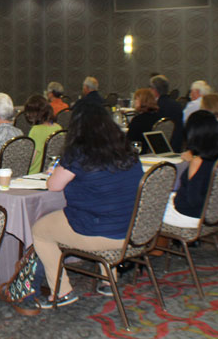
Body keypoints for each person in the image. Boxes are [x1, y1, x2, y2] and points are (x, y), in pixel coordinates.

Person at [31, 103, 143, 308]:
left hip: (100, 233)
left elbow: (53, 186)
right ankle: (109, 280)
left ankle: (61, 291)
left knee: (40, 230)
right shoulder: (128, 151)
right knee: (107, 207)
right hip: (133, 232)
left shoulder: (79, 153)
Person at [162, 110, 218, 228]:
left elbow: (193, 200)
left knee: (147, 205)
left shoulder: (197, 162)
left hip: (189, 216)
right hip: (212, 213)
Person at [25, 94, 62, 175]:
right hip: (50, 172)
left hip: (34, 174)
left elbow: (32, 159)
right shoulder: (58, 128)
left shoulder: (35, 131)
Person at [149, 74, 184, 152]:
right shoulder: (177, 105)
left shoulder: (155, 107)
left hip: (159, 148)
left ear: (154, 90)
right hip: (176, 146)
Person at [126, 88, 160, 154]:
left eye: (136, 99)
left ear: (143, 101)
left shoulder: (138, 120)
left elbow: (128, 140)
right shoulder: (158, 117)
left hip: (139, 152)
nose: (134, 101)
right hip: (154, 152)